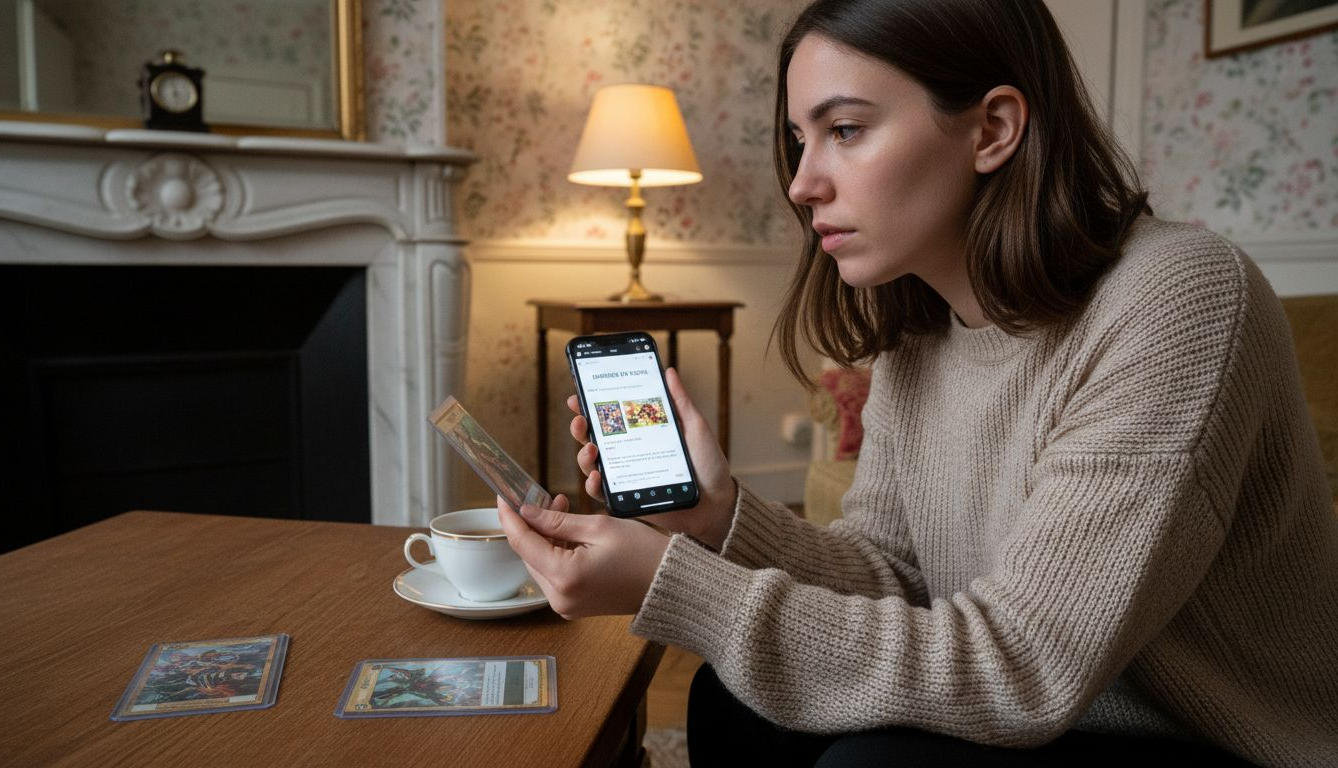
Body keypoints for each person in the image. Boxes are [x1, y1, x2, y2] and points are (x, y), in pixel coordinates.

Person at [496, 1, 1338, 765]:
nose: (801, 182)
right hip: (1057, 708)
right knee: (731, 705)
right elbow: (895, 575)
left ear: (993, 128)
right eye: (799, 138)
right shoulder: (921, 335)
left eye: (848, 130)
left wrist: (673, 584)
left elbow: (1025, 669)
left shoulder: (1178, 298)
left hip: (1211, 737)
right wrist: (721, 521)